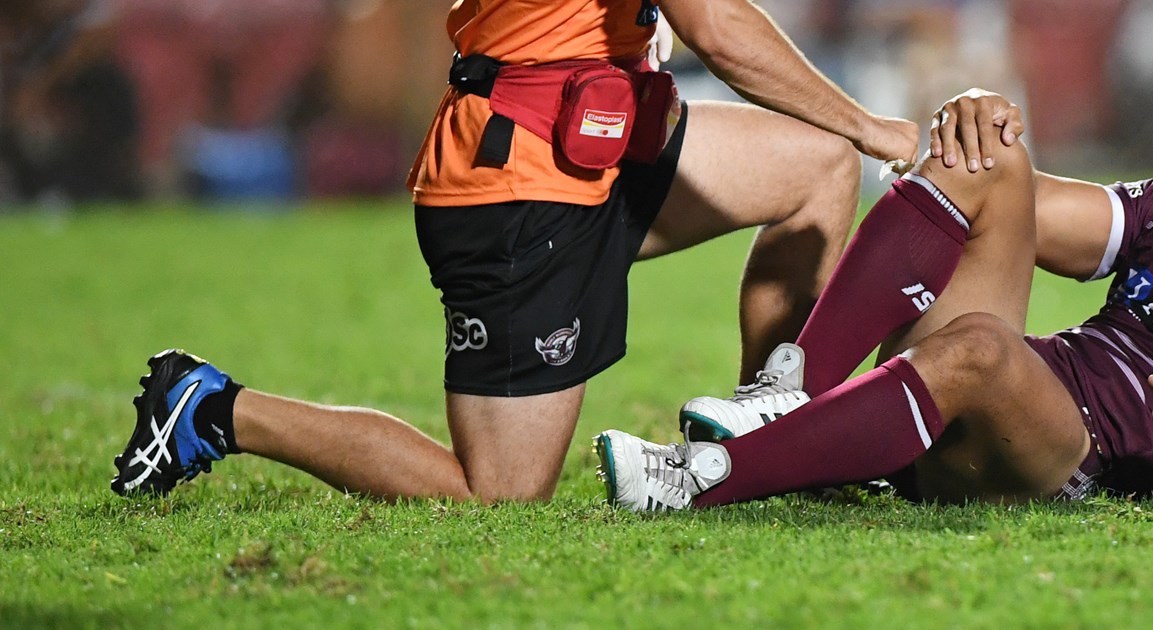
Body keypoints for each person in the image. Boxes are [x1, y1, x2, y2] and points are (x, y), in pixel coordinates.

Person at [109, 0, 929, 502]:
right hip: (517, 184)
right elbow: (717, 26)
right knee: (498, 493)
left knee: (816, 169)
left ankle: (768, 442)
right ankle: (211, 407)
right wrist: (872, 127)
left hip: (602, 150)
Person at [596, 84, 1153, 509]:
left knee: (986, 352)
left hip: (1077, 458)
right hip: (1005, 393)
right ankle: (792, 396)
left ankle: (701, 478)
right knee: (985, 154)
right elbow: (1010, 195)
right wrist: (975, 122)